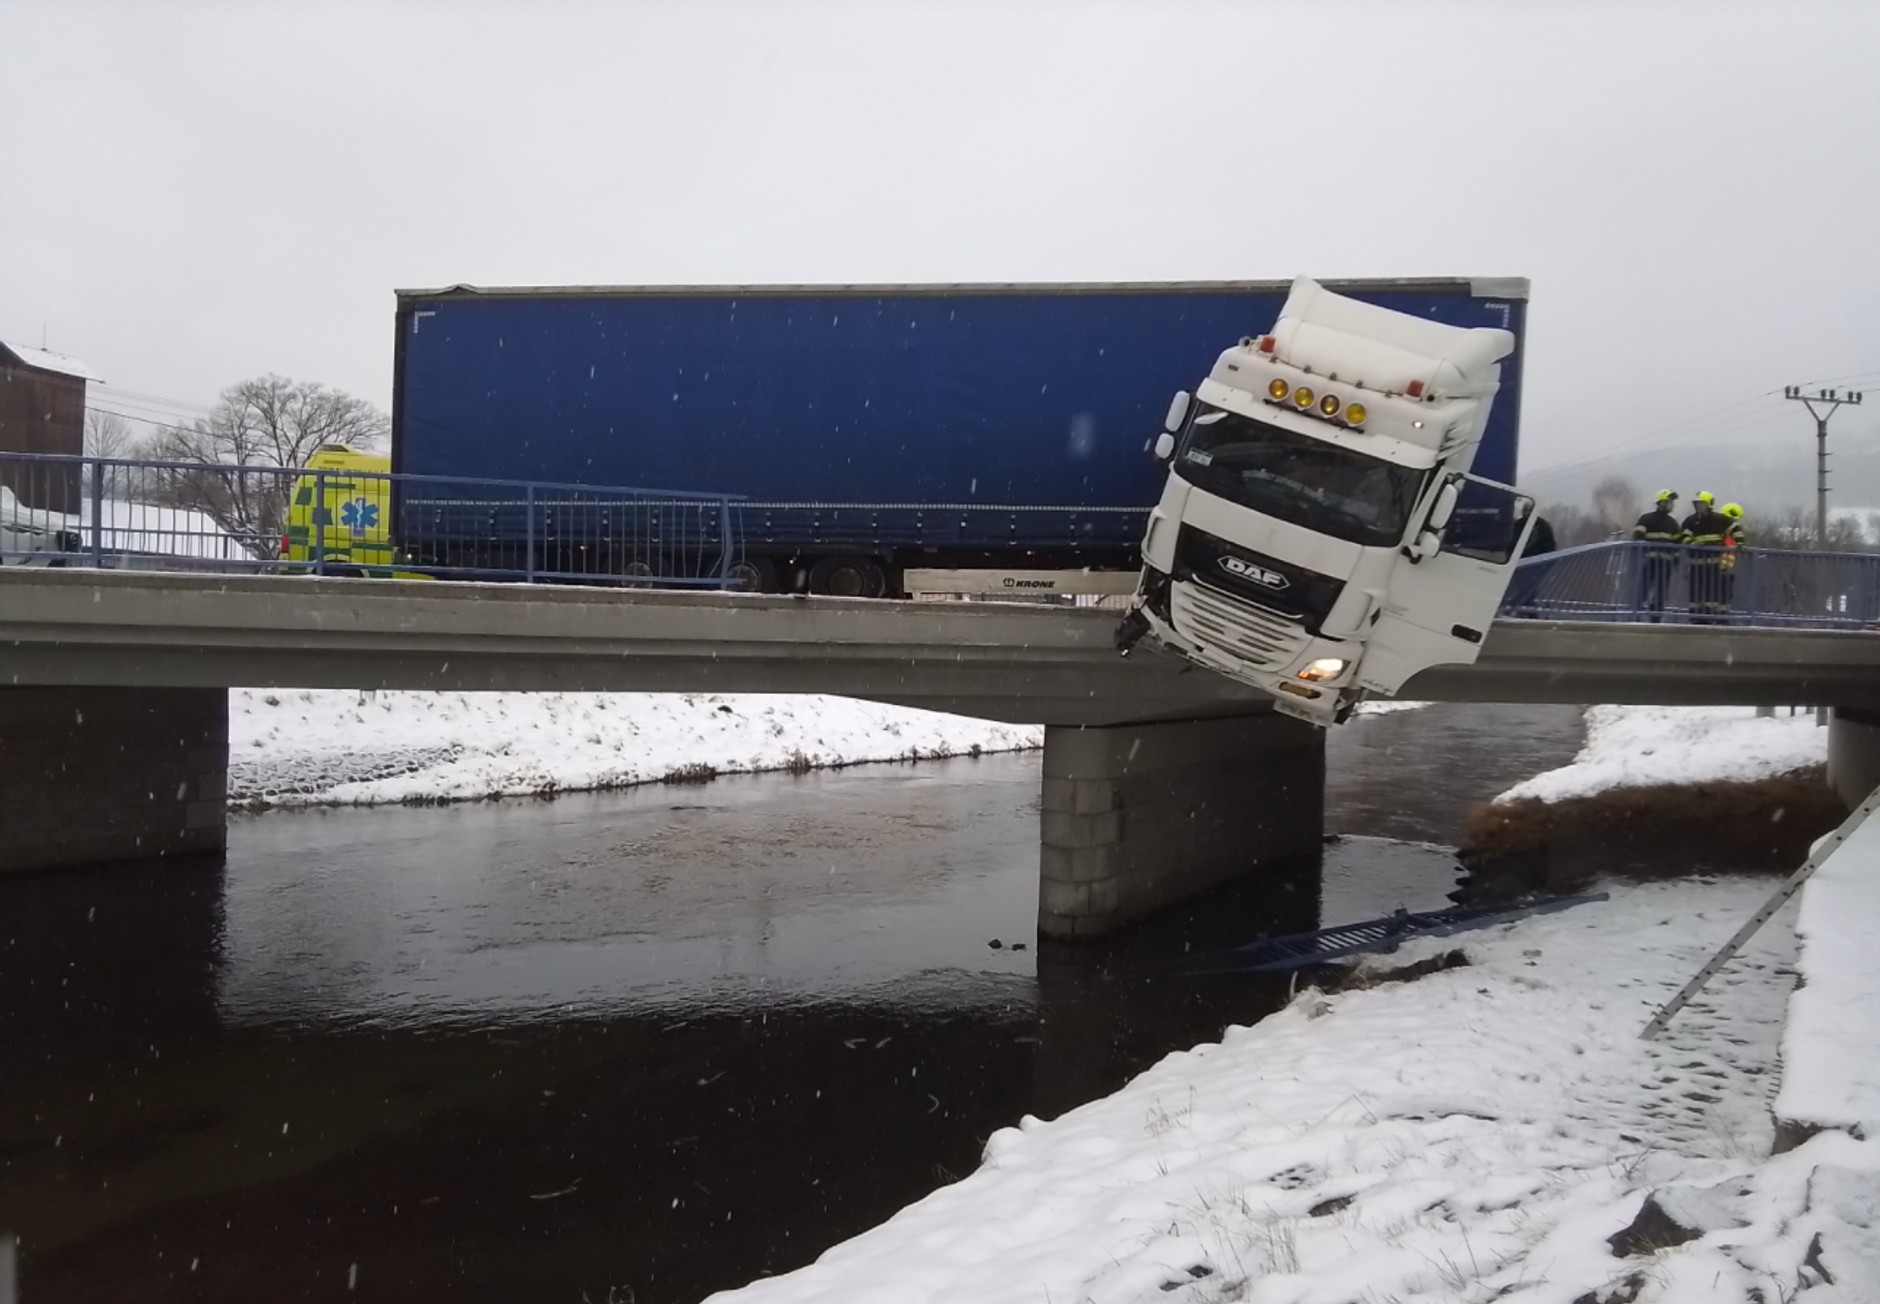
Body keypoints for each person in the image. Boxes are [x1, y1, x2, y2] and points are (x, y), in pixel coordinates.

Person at [1631, 490, 1684, 621]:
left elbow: (1677, 543)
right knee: (1644, 588)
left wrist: (1676, 559)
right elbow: (1637, 537)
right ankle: (1637, 614)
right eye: (1670, 502)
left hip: (1665, 563)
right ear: (1662, 502)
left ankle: (1655, 616)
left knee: (1661, 591)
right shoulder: (1647, 519)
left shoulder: (1672, 523)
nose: (1672, 505)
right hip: (1650, 561)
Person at [1682, 491, 1728, 623]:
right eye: (1696, 504)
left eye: (1700, 503)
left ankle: (1709, 616)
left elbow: (1733, 532)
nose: (1697, 506)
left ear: (1708, 505)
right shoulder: (1690, 521)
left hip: (1714, 564)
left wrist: (1740, 543)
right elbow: (1684, 537)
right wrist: (1693, 544)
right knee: (1695, 591)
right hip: (1695, 563)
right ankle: (1695, 617)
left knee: (1711, 591)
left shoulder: (1720, 520)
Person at [1718, 502, 1747, 620]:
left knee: (1725, 594)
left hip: (1726, 569)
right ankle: (1721, 617)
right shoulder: (1724, 534)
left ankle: (1723, 616)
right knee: (1722, 594)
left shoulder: (1727, 534)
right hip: (1721, 568)